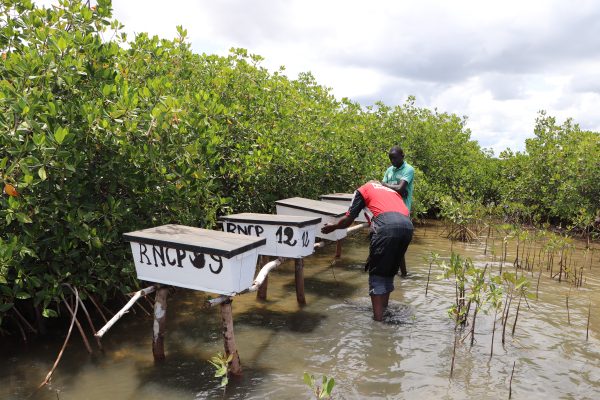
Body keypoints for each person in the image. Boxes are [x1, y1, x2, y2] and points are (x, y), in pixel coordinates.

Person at [321, 181, 413, 321]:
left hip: (386, 226)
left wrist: (333, 226)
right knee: (389, 271)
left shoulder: (362, 190)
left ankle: (378, 323)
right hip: (407, 227)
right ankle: (384, 310)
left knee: (376, 274)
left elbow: (348, 219)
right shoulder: (391, 191)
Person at [381, 145, 414, 276]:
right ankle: (391, 272)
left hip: (402, 211)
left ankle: (404, 274)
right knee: (384, 241)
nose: (392, 161)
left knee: (399, 245)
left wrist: (387, 186)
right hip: (388, 209)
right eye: (390, 158)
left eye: (394, 158)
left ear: (402, 156)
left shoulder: (408, 169)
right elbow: (382, 188)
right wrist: (393, 188)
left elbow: (400, 188)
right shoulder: (389, 170)